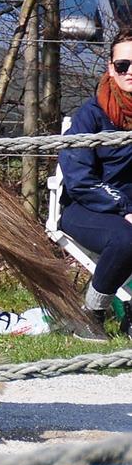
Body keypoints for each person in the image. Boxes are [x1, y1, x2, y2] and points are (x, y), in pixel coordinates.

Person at [58, 27, 132, 341]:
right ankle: (91, 312)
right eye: (123, 65)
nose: (130, 72)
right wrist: (124, 208)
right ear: (110, 70)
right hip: (85, 208)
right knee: (127, 239)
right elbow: (79, 179)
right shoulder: (91, 115)